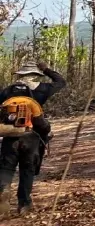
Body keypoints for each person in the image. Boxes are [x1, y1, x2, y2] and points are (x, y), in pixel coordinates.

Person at [0, 62, 67, 216]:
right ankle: (24, 204)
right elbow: (61, 82)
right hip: (32, 136)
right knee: (27, 169)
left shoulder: (8, 91)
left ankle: (3, 190)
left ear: (20, 75)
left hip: (10, 136)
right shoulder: (42, 89)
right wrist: (46, 69)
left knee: (5, 168)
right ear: (36, 75)